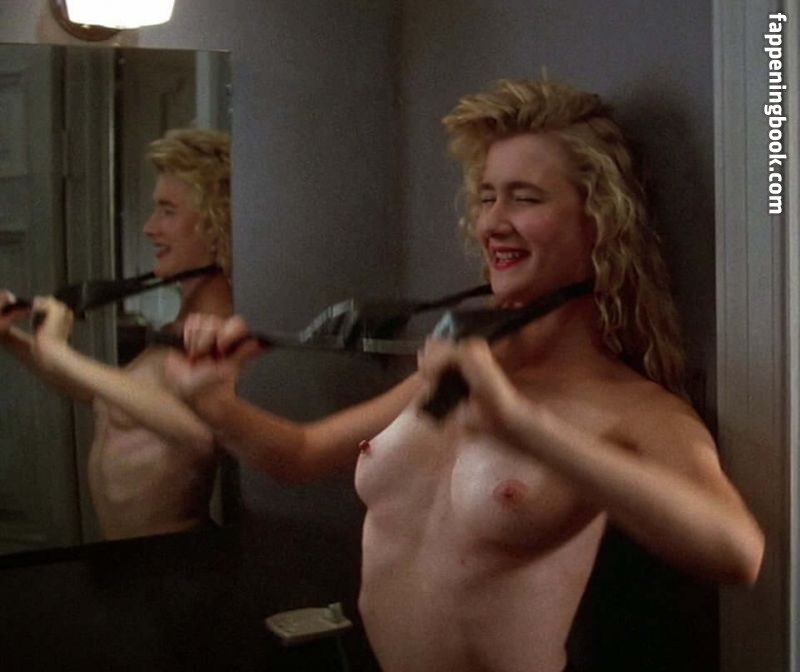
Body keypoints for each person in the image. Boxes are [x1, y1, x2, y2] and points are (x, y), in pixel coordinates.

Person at [166, 81, 764, 672]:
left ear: (599, 221)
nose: (492, 223)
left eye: (525, 198)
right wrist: (216, 405)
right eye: (487, 197)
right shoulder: (462, 367)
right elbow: (301, 455)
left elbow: (738, 553)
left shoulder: (631, 409)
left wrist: (521, 425)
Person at [0, 128, 233, 541]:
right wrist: (11, 339)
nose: (149, 227)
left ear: (216, 227)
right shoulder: (180, 324)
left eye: (167, 211)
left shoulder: (215, 328)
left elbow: (200, 438)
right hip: (131, 561)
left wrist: (59, 351)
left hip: (172, 564)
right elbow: (109, 396)